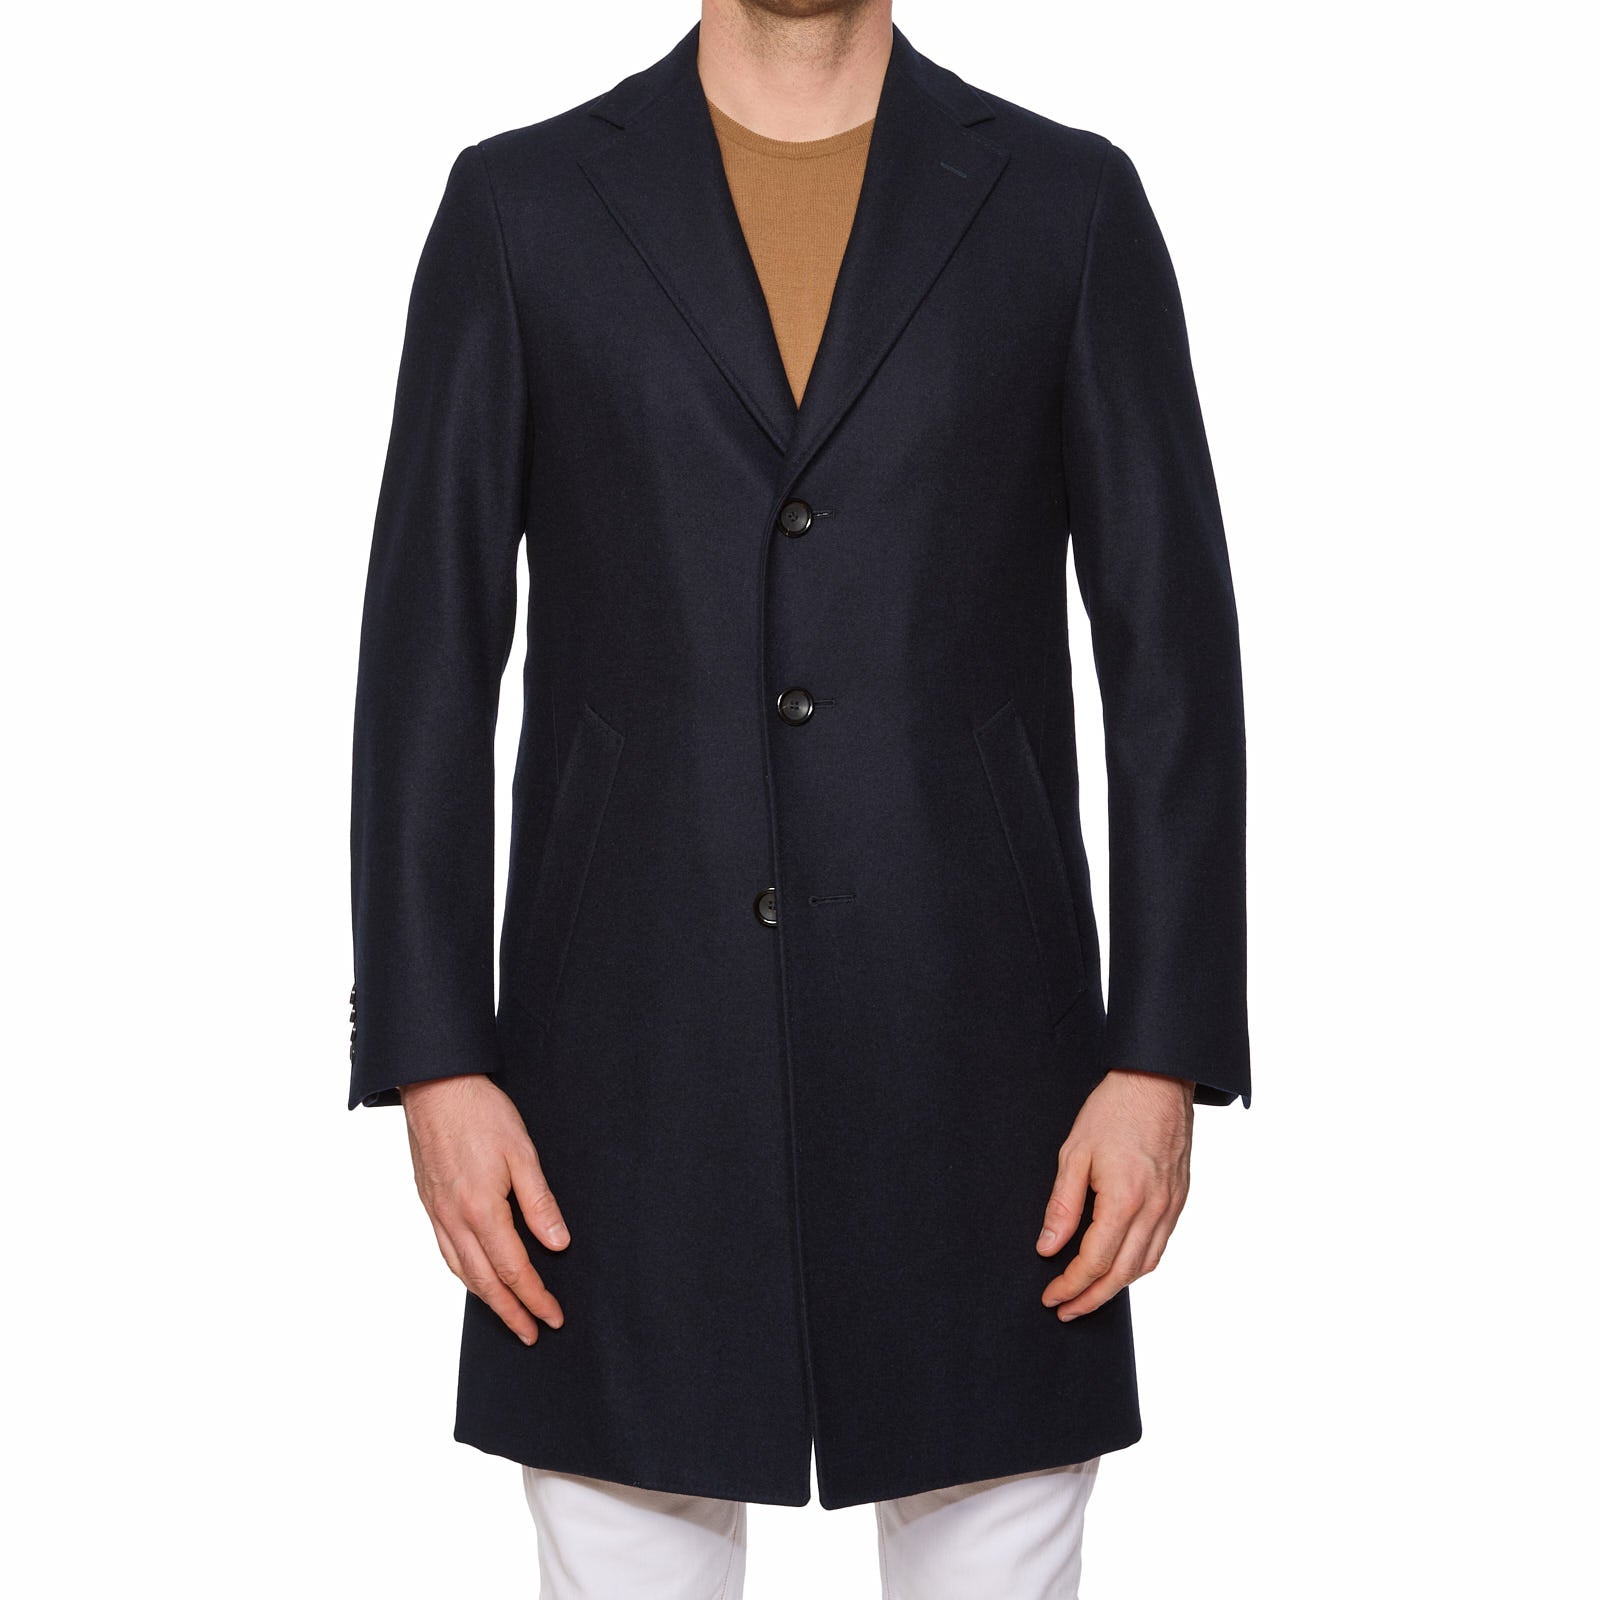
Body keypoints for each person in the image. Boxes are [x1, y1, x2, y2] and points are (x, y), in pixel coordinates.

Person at [347, 0, 1251, 1593]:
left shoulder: (1067, 204)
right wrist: (435, 1060)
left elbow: (1171, 660)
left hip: (993, 1076)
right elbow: (428, 657)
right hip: (615, 1087)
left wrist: (1161, 1054)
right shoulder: (520, 206)